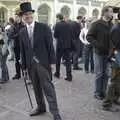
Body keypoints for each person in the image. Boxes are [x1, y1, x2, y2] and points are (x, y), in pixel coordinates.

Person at [19, 2, 61, 120]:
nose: (27, 16)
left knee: (48, 88)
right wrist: (24, 66)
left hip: (43, 63)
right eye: (25, 15)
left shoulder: (43, 27)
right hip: (31, 65)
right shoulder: (22, 32)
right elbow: (23, 51)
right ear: (22, 17)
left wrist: (53, 63)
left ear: (32, 14)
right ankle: (40, 107)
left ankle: (55, 112)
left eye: (29, 14)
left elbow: (50, 46)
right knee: (36, 87)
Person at [87, 6, 113, 100]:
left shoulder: (111, 24)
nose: (112, 14)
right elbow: (89, 37)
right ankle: (97, 92)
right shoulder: (96, 24)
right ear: (105, 12)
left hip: (108, 53)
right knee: (99, 73)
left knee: (106, 73)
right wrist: (98, 45)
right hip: (98, 52)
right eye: (110, 12)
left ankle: (103, 91)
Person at [102, 12, 120, 112]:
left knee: (118, 81)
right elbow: (116, 46)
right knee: (113, 81)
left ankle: (115, 99)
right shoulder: (117, 29)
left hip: (118, 57)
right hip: (116, 58)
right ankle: (107, 104)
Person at [54, 13, 73, 81]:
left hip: (60, 46)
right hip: (67, 46)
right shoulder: (68, 24)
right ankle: (69, 76)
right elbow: (71, 34)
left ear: (58, 18)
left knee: (58, 60)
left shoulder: (57, 24)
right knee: (68, 61)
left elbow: (55, 35)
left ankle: (57, 73)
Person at [8, 12, 25, 80]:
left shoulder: (23, 25)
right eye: (16, 17)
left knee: (24, 60)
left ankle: (25, 73)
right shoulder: (13, 26)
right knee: (17, 60)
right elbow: (10, 36)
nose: (17, 18)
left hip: (23, 45)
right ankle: (18, 74)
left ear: (20, 17)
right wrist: (18, 34)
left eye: (18, 17)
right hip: (16, 45)